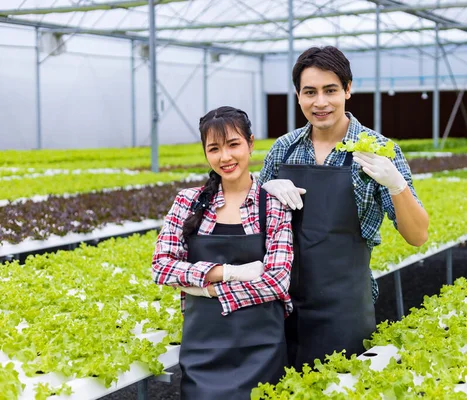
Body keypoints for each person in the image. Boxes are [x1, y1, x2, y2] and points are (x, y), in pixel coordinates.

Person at [259, 46, 429, 370]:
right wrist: (262, 193)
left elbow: (418, 235)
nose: (320, 102)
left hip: (346, 310)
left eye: (330, 90)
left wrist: (397, 185)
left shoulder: (378, 151)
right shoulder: (283, 149)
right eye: (310, 92)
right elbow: (253, 226)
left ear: (348, 90)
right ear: (298, 96)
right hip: (284, 307)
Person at [152, 106, 294, 399]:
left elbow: (277, 281)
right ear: (205, 153)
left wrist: (199, 288)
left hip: (261, 347)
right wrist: (225, 275)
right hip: (204, 348)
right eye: (214, 148)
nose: (225, 157)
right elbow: (162, 267)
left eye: (233, 145)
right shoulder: (187, 202)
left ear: (251, 144)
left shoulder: (273, 204)